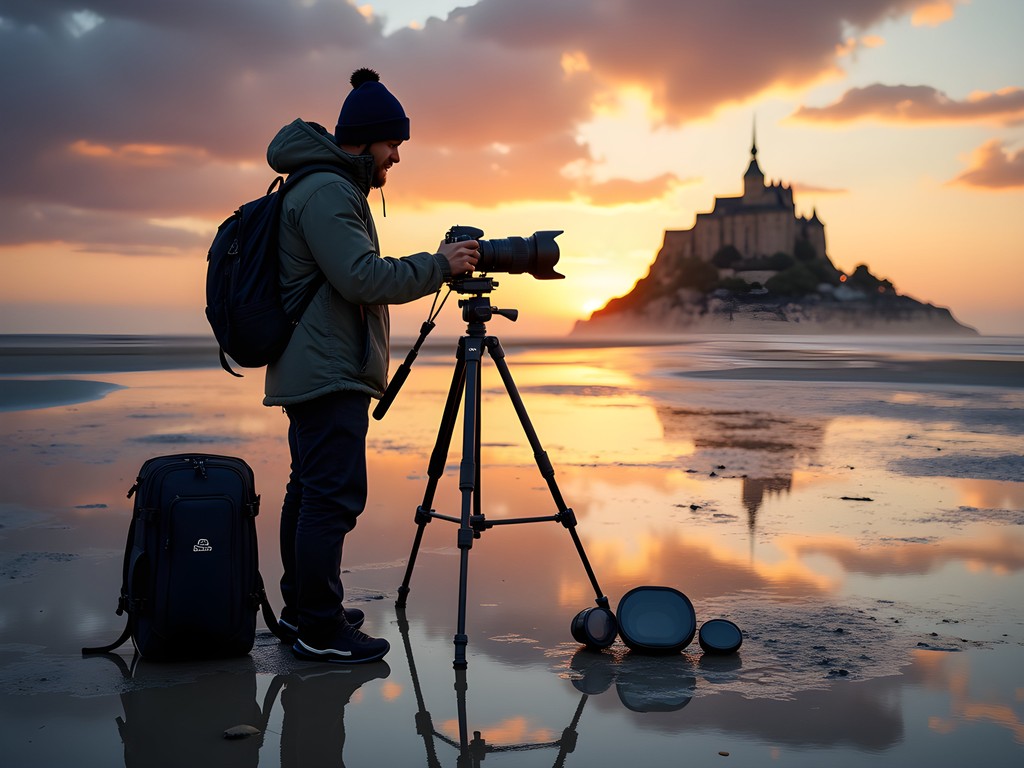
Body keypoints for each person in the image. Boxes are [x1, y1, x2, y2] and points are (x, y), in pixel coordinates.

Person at [263, 67, 479, 663]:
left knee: (307, 493)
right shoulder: (330, 191)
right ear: (365, 139)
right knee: (328, 499)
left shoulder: (321, 184)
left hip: (314, 364)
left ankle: (306, 610)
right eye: (394, 145)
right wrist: (440, 265)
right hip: (326, 369)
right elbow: (361, 279)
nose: (397, 158)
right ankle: (319, 628)